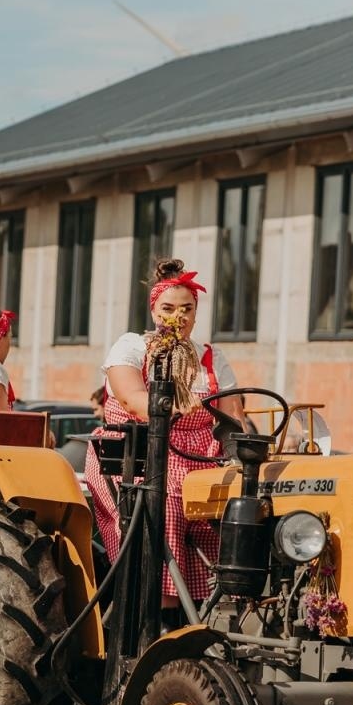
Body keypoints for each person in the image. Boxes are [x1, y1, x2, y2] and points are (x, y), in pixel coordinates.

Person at [84, 258, 243, 612]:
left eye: (187, 309)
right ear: (154, 310)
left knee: (243, 504)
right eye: (168, 308)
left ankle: (228, 601)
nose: (178, 317)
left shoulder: (211, 356)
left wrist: (238, 454)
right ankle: (161, 608)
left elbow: (233, 416)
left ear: (196, 315)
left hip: (203, 458)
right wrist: (184, 406)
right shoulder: (133, 347)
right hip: (142, 453)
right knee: (167, 500)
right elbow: (134, 400)